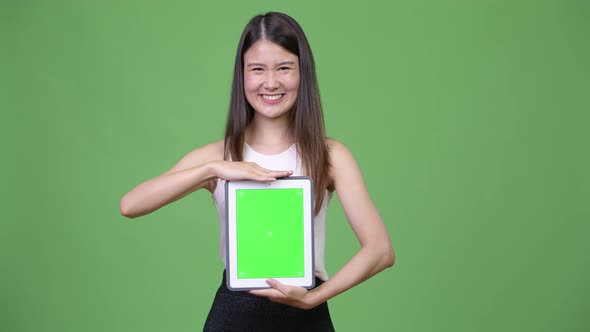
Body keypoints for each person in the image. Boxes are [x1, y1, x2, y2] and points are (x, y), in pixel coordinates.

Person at [120, 11, 394, 331]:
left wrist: (313, 298)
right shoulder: (218, 156)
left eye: (284, 68)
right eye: (257, 69)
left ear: (302, 73)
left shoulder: (330, 155)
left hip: (306, 313)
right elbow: (130, 205)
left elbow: (380, 250)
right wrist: (212, 168)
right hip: (234, 315)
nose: (271, 82)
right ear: (242, 75)